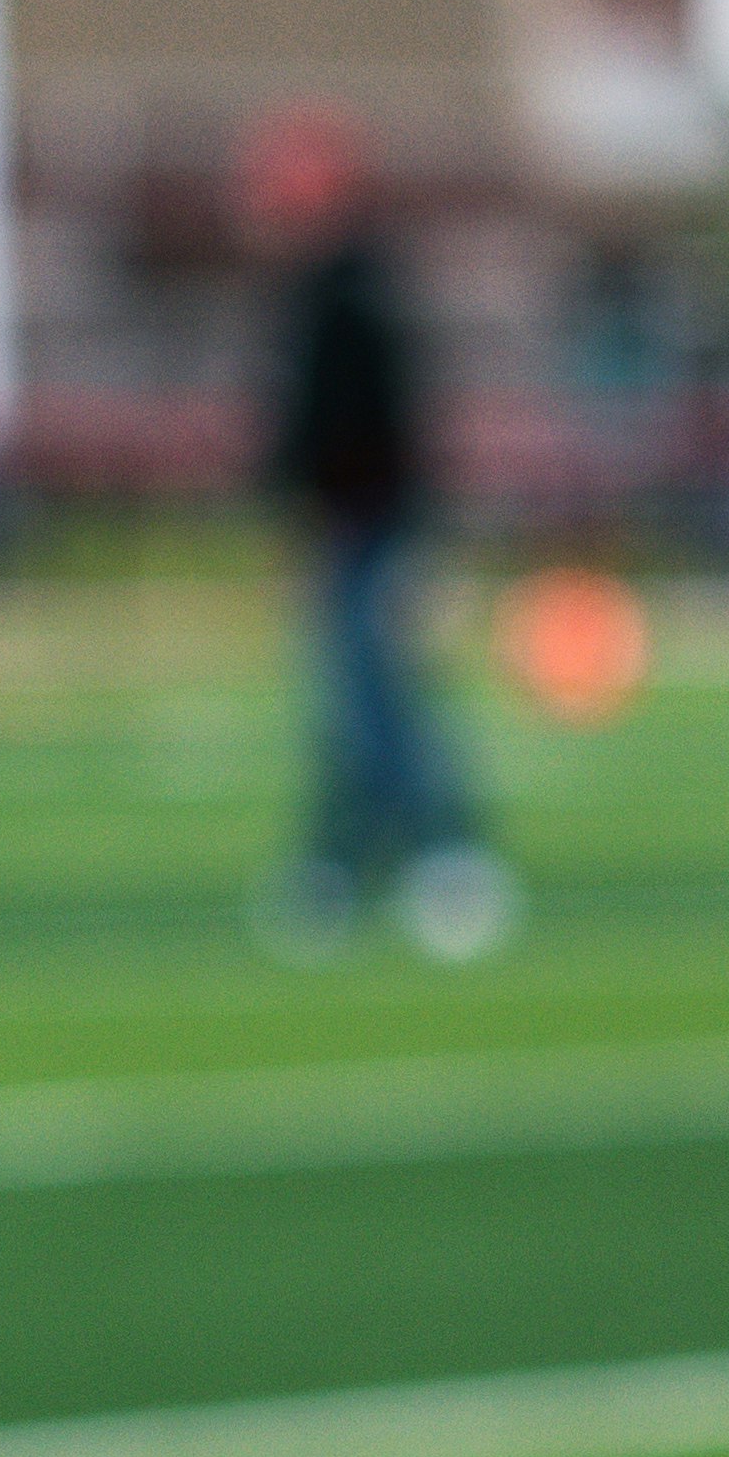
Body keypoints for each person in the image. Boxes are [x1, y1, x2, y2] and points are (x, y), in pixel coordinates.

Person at [250, 104, 511, 961]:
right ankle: (340, 865)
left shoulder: (358, 288)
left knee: (381, 710)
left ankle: (441, 857)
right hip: (343, 530)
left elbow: (385, 427)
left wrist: (413, 547)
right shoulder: (317, 287)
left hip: (376, 530)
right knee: (354, 709)